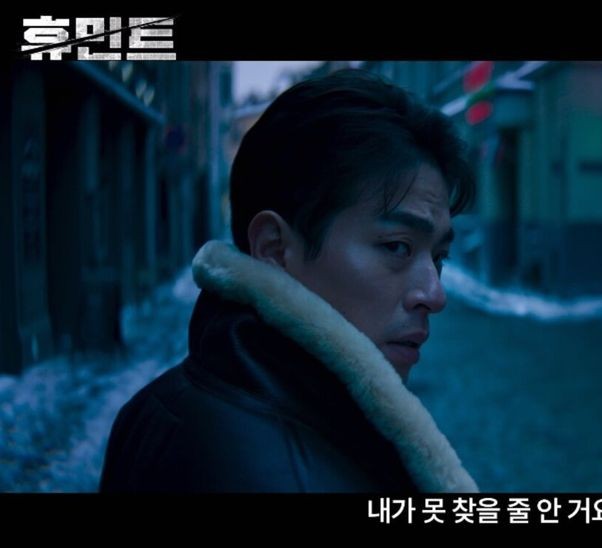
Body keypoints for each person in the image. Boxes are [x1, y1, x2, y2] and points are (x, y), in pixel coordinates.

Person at [99, 69, 478, 493]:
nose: (435, 294)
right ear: (275, 249)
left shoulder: (158, 406)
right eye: (397, 247)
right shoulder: (282, 473)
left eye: (439, 257)